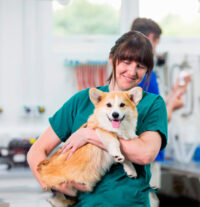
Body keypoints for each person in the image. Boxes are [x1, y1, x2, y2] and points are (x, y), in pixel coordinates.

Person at [27, 31, 168, 207]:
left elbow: (145, 154)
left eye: (140, 66)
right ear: (112, 59)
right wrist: (55, 184)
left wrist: (89, 135)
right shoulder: (82, 100)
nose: (132, 71)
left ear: (147, 70)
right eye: (126, 62)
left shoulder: (152, 104)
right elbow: (36, 151)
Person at [131, 17, 191, 122]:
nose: (155, 50)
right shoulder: (142, 74)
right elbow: (156, 119)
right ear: (150, 38)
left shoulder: (133, 70)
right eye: (156, 44)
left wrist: (175, 91)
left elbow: (156, 106)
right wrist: (172, 106)